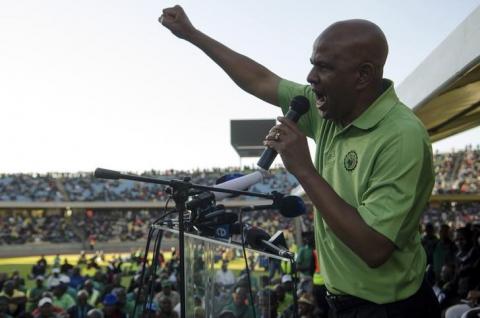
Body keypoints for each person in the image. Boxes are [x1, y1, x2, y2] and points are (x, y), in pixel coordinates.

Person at [160, 5, 440, 317]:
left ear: (363, 75)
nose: (310, 77)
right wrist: (193, 35)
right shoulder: (330, 111)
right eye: (312, 65)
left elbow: (374, 248)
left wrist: (304, 170)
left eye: (325, 67)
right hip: (341, 303)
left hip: (390, 309)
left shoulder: (401, 137)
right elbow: (261, 80)